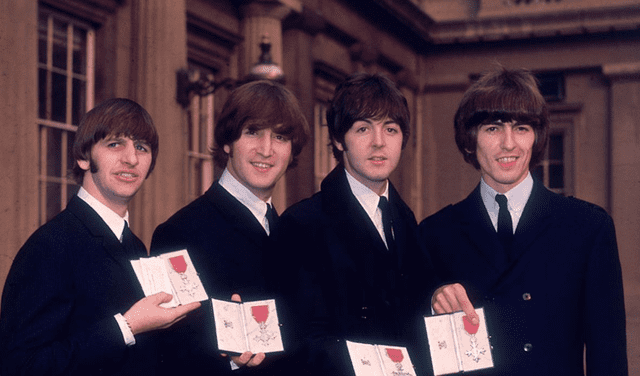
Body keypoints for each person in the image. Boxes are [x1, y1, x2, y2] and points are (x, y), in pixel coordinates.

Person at [418, 66, 628, 376]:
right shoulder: (435, 234)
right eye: (492, 128)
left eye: (521, 128)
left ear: (537, 137)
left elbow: (607, 356)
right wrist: (431, 303)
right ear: (469, 139)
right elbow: (418, 350)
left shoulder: (587, 228)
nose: (509, 144)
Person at [0, 98, 200, 376]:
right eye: (115, 144)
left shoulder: (135, 246)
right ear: (83, 157)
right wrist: (127, 326)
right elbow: (19, 366)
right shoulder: (50, 245)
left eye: (141, 147)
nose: (131, 158)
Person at [277, 73, 433, 376]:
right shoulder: (302, 224)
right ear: (338, 139)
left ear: (403, 139)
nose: (379, 142)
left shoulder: (406, 220)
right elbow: (300, 343)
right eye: (363, 128)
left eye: (391, 129)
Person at [150, 80, 309, 375]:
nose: (266, 149)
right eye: (252, 132)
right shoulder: (180, 233)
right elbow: (170, 356)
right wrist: (231, 360)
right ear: (227, 142)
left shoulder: (292, 231)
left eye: (280, 137)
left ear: (291, 150)